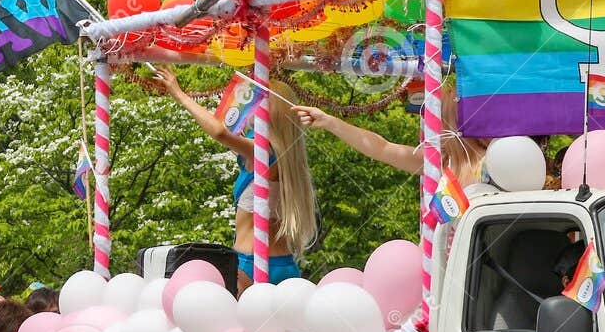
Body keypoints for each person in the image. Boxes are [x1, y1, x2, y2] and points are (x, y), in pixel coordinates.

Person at [148, 68, 317, 288]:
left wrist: (179, 94)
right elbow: (228, 131)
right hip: (285, 264)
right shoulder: (286, 157)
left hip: (251, 265)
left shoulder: (263, 151)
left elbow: (220, 133)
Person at [293, 86, 490, 187]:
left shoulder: (491, 162)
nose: (431, 129)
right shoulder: (440, 163)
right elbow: (381, 148)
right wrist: (330, 122)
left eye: (435, 121)